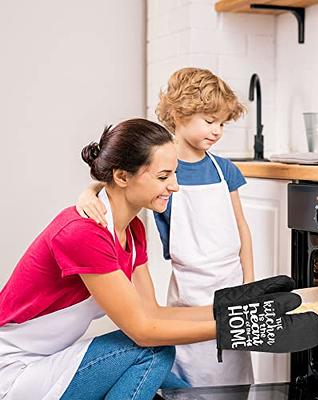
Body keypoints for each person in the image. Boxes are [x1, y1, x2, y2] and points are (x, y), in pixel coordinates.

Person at [75, 70, 318, 388]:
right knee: (193, 380)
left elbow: (241, 228)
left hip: (231, 284)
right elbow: (121, 176)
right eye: (210, 120)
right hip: (190, 294)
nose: (217, 130)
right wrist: (89, 191)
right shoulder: (159, 167)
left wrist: (248, 284)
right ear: (179, 114)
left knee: (234, 379)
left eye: (222, 123)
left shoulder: (224, 169)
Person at [0, 119, 225, 400]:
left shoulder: (133, 230)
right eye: (163, 176)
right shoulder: (84, 233)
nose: (175, 186)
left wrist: (233, 309)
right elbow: (144, 332)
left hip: (52, 360)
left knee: (179, 392)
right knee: (155, 351)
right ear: (121, 177)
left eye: (174, 174)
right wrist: (235, 329)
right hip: (14, 372)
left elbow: (152, 313)